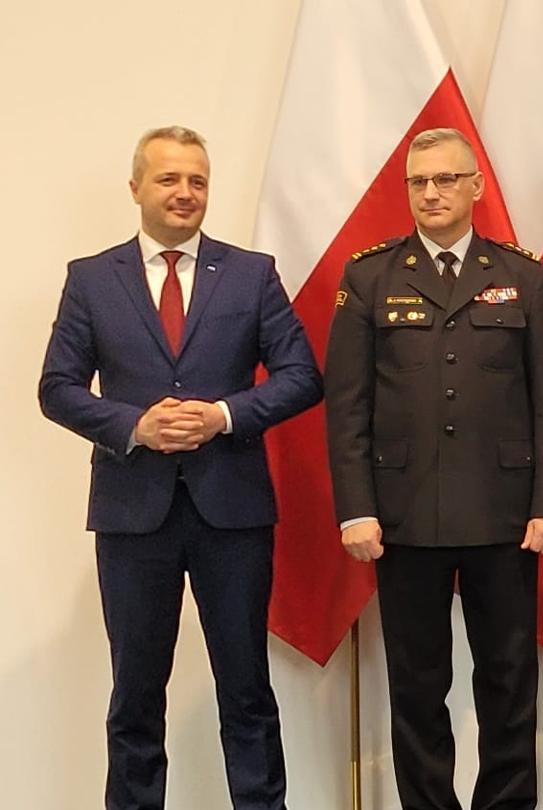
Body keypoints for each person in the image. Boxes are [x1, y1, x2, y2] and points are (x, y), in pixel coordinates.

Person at [38, 125, 321, 810]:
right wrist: (134, 424)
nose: (185, 192)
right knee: (135, 694)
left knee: (246, 689)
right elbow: (58, 388)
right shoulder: (90, 279)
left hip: (234, 512)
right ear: (136, 188)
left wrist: (223, 415)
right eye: (169, 179)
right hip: (135, 515)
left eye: (197, 179)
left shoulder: (252, 273)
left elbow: (302, 375)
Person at [324, 127, 543, 810]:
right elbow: (347, 405)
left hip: (504, 514)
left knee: (508, 682)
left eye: (444, 180)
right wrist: (356, 507)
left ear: (475, 186)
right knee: (416, 686)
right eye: (418, 182)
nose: (430, 193)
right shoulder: (369, 275)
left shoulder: (521, 275)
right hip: (403, 515)